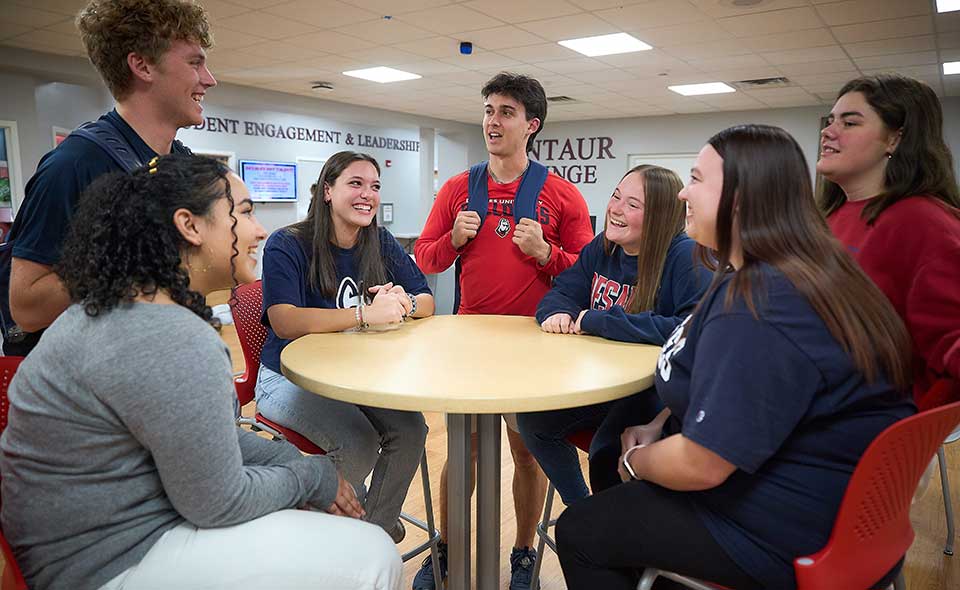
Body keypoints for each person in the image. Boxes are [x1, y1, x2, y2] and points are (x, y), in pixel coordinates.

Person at [0, 154, 402, 590]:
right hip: (104, 566)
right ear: (191, 226)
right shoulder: (172, 337)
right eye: (245, 212)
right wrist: (313, 476)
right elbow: (219, 503)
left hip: (76, 547)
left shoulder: (122, 311)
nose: (260, 229)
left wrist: (300, 465)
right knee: (373, 555)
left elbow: (212, 439)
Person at [555, 124, 915, 590]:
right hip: (838, 506)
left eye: (698, 179)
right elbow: (713, 374)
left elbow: (703, 463)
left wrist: (637, 463)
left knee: (581, 529)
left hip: (781, 528)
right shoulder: (803, 267)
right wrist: (662, 420)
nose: (684, 192)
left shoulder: (759, 302)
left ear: (741, 200)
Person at [413, 72, 594, 590]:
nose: (493, 120)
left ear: (531, 125)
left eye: (507, 112)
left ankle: (522, 554)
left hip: (534, 344)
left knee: (525, 450)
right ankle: (445, 550)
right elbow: (425, 256)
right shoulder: (457, 188)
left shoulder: (561, 195)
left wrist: (546, 254)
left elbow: (587, 270)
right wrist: (451, 240)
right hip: (470, 339)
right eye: (489, 109)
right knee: (464, 450)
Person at [0, 0, 216, 356]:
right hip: (90, 389)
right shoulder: (73, 165)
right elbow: (25, 308)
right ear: (142, 65)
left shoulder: (180, 161)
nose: (209, 79)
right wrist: (128, 256)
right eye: (194, 62)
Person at [255, 150, 432, 543]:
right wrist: (364, 314)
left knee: (412, 428)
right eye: (355, 183)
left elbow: (427, 299)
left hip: (351, 375)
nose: (368, 194)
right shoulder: (288, 243)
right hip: (284, 378)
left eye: (374, 186)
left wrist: (406, 302)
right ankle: (323, 534)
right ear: (327, 192)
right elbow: (284, 320)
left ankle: (373, 532)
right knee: (357, 444)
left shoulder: (378, 240)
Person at [517, 165, 709, 505]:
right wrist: (557, 312)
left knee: (608, 449)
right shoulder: (602, 247)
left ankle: (613, 533)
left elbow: (690, 329)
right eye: (616, 196)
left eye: (632, 204)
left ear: (660, 217)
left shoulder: (684, 256)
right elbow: (561, 291)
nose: (615, 209)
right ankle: (583, 510)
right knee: (533, 421)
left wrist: (597, 320)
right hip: (601, 385)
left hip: (653, 393)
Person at [818, 74, 960, 410]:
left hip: (860, 421)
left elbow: (951, 345)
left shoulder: (923, 221)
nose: (828, 131)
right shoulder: (831, 215)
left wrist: (913, 430)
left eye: (850, 122)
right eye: (831, 120)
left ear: (895, 139)